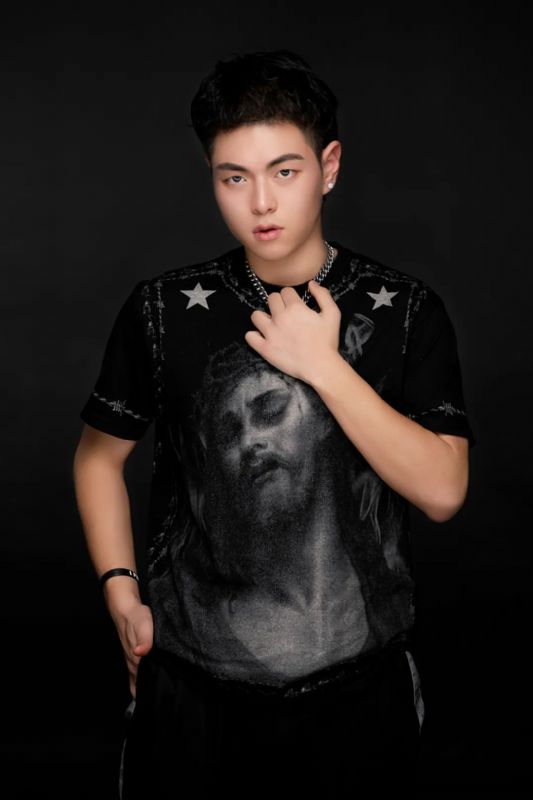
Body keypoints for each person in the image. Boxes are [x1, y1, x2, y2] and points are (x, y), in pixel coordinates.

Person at [73, 49, 476, 798]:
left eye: (284, 172)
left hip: (358, 694)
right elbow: (97, 459)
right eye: (234, 178)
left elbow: (444, 490)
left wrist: (323, 365)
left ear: (329, 167)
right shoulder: (162, 310)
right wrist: (122, 595)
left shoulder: (405, 311)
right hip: (193, 692)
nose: (260, 203)